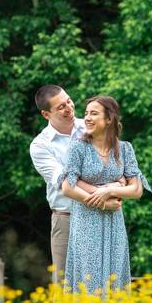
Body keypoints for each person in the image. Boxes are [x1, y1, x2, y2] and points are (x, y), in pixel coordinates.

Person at [57, 95, 151, 295]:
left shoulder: (125, 149)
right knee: (89, 281)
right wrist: (101, 202)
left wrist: (109, 190)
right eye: (86, 113)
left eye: (94, 113)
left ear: (109, 119)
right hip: (85, 223)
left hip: (115, 224)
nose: (87, 118)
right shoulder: (78, 148)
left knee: (115, 278)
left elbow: (136, 189)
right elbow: (67, 187)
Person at [29, 85, 124, 282]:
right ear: (46, 114)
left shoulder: (93, 125)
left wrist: (114, 188)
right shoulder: (40, 146)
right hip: (67, 219)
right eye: (61, 107)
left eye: (69, 101)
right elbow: (66, 182)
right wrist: (103, 195)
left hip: (102, 217)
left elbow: (119, 169)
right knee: (66, 286)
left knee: (107, 282)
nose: (69, 108)